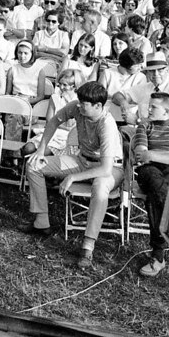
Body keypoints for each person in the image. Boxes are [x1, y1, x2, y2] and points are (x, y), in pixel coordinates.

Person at [22, 81, 124, 269]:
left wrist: (72, 177)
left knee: (100, 187)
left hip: (109, 168)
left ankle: (87, 246)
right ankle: (41, 221)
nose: (78, 106)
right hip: (82, 160)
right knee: (34, 165)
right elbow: (54, 121)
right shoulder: (78, 108)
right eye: (79, 102)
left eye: (84, 104)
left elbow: (106, 169)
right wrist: (41, 149)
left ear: (98, 106)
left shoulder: (106, 125)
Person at [131, 93, 169, 278]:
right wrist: (161, 157)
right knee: (155, 181)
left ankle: (158, 254)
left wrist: (152, 155)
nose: (149, 110)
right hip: (148, 171)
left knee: (155, 197)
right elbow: (140, 155)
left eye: (154, 107)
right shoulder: (145, 125)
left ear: (167, 111)